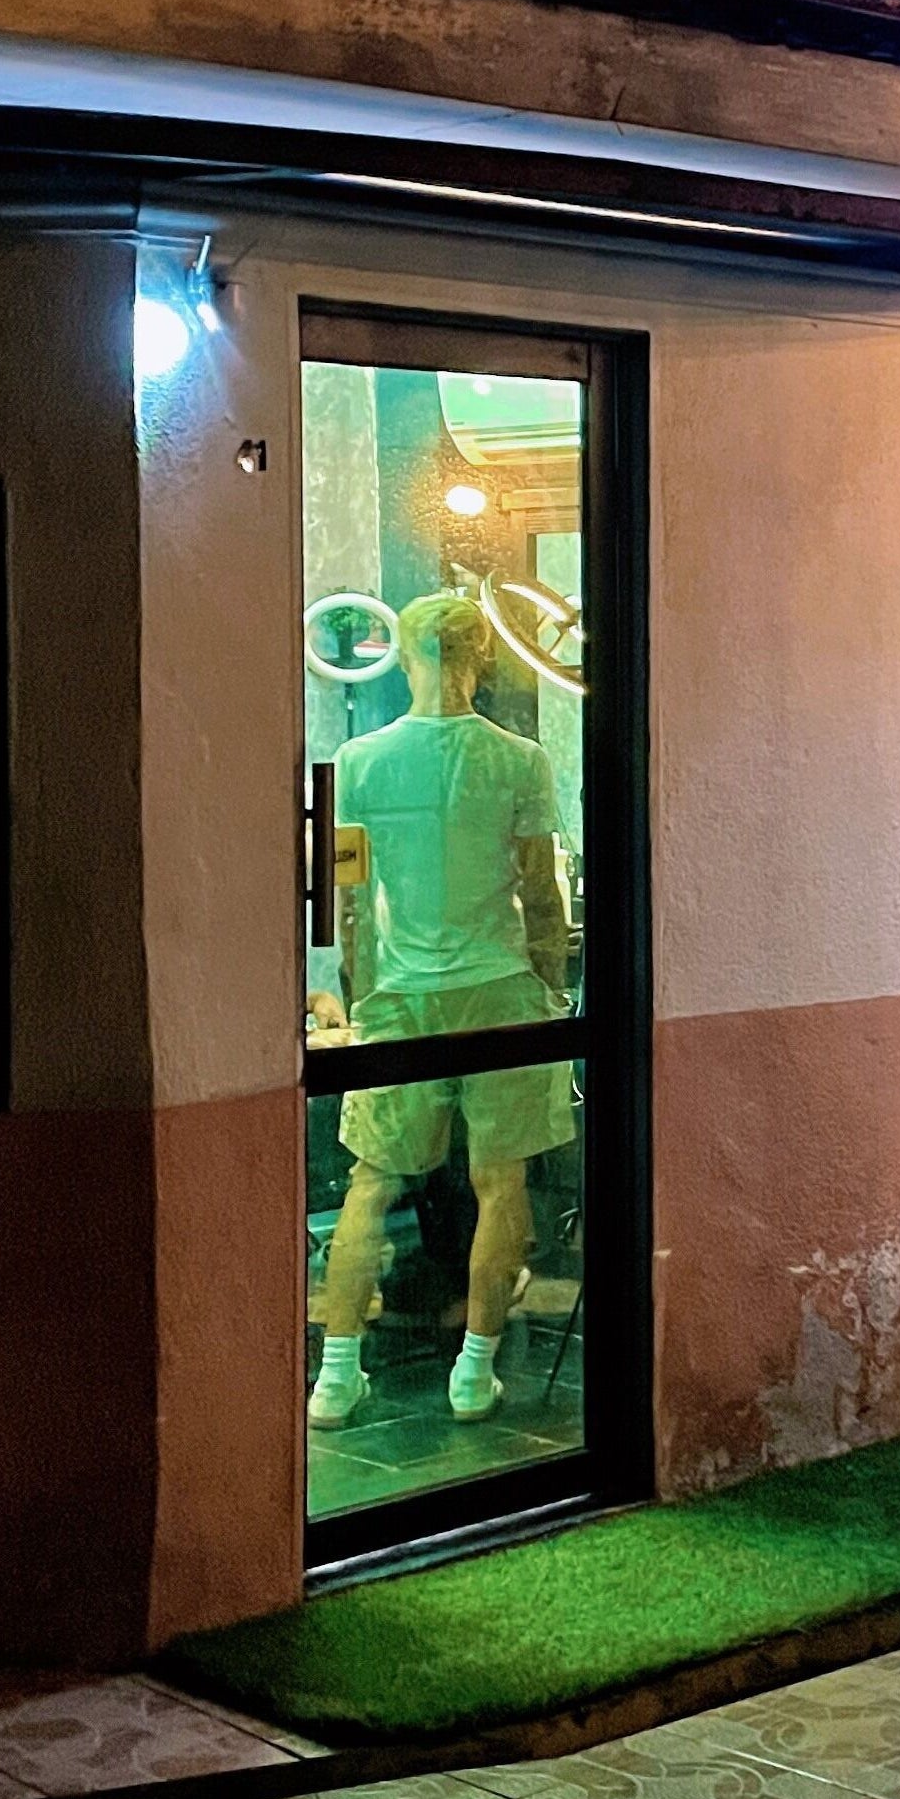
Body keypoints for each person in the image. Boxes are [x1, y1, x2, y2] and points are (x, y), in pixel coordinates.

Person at [309, 591, 576, 1429]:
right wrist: (554, 989)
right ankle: (473, 1372)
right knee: (502, 1184)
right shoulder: (518, 761)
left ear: (407, 656)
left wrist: (354, 994)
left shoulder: (359, 761)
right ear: (481, 660)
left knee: (370, 1181)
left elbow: (345, 899)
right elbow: (540, 892)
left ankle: (338, 1374)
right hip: (499, 989)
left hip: (398, 995)